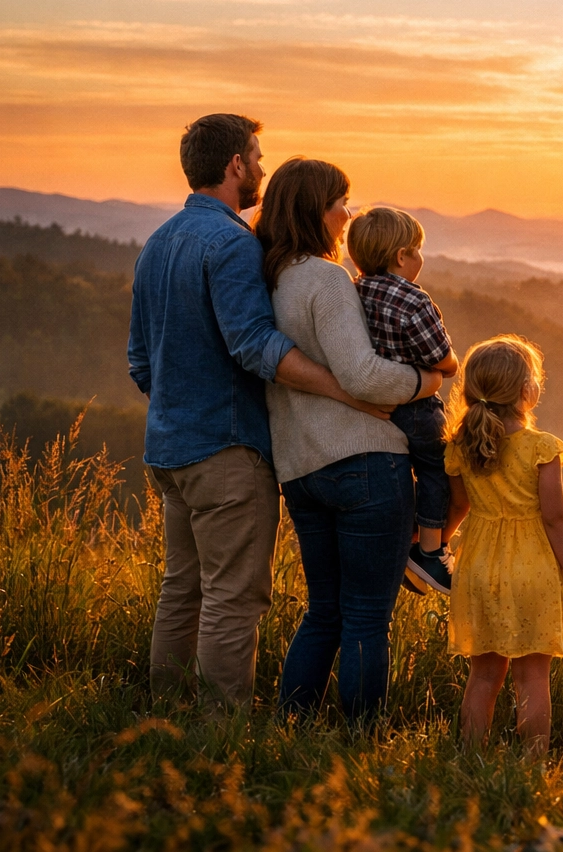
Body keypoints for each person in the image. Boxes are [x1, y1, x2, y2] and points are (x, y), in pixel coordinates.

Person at [129, 114, 396, 708]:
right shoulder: (229, 243)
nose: (263, 169)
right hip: (226, 452)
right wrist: (347, 391)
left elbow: (140, 363)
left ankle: (166, 717)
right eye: (257, 156)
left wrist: (181, 406)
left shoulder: (158, 243)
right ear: (234, 166)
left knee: (182, 592)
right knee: (233, 597)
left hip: (168, 451)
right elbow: (255, 344)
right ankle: (222, 734)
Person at [255, 158, 445, 722]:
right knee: (366, 617)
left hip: (300, 467)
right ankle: (359, 740)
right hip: (362, 464)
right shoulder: (327, 277)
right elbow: (362, 374)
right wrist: (426, 380)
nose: (348, 213)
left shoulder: (272, 277)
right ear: (318, 210)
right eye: (342, 202)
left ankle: (294, 722)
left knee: (324, 613)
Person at [445, 335, 563, 758]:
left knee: (483, 676)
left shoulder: (460, 446)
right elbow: (555, 517)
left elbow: (458, 507)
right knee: (532, 677)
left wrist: (434, 544)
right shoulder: (541, 448)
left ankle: (470, 758)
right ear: (528, 392)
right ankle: (533, 763)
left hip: (480, 567)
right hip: (533, 570)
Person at [346, 207, 462, 595]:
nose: (421, 258)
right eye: (417, 250)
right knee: (436, 469)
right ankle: (429, 551)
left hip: (374, 409)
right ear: (401, 256)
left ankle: (411, 545)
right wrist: (453, 365)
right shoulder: (414, 301)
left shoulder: (354, 291)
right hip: (418, 409)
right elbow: (442, 359)